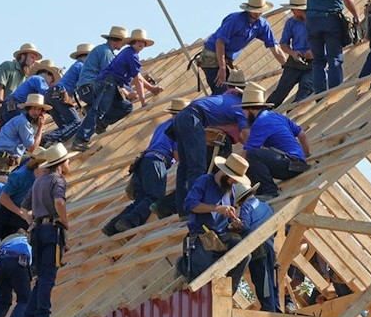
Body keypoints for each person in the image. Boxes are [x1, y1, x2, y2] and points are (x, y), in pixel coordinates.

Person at [102, 98, 190, 235]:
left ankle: (113, 226)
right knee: (155, 196)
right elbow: (178, 155)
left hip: (144, 161)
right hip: (157, 162)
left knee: (140, 199)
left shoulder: (162, 126)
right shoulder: (178, 128)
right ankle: (129, 221)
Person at [65, 29, 161, 149]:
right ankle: (80, 140)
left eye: (143, 43)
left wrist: (150, 88)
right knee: (98, 109)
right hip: (93, 87)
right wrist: (140, 100)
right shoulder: (107, 53)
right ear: (118, 41)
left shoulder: (125, 53)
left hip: (96, 86)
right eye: (138, 42)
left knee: (126, 106)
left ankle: (100, 123)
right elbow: (110, 77)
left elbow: (137, 76)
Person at [177, 154, 252, 279]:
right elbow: (190, 204)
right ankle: (183, 266)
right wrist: (216, 208)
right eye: (233, 179)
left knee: (243, 255)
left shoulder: (230, 189)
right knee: (203, 276)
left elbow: (226, 218)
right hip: (202, 236)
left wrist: (233, 222)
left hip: (221, 237)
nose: (235, 182)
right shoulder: (205, 181)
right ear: (224, 173)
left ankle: (227, 292)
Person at [304, 0, 363, 94]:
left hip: (311, 20)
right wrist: (356, 16)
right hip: (330, 20)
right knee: (334, 59)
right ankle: (335, 93)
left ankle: (319, 95)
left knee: (318, 61)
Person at [26, 144, 73, 317]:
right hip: (51, 231)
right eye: (68, 161)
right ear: (61, 163)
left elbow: (24, 207)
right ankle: (42, 315)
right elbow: (59, 201)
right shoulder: (58, 180)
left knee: (42, 276)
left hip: (37, 231)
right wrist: (65, 222)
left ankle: (28, 314)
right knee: (48, 276)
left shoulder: (39, 181)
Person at [201, 0, 286, 93]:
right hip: (212, 57)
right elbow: (220, 42)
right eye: (255, 11)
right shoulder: (235, 20)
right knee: (222, 90)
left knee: (234, 91)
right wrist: (222, 67)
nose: (258, 13)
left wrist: (286, 65)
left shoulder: (262, 25)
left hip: (226, 59)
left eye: (260, 11)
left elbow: (274, 47)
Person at [239, 88, 311, 198]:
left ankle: (269, 191)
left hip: (289, 165)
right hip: (298, 164)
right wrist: (306, 155)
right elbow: (303, 135)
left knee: (252, 154)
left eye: (244, 110)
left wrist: (234, 174)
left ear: (251, 110)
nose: (244, 114)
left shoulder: (260, 123)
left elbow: (246, 153)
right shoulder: (277, 116)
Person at [0, 93, 50, 175]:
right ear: (28, 109)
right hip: (1, 157)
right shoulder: (23, 123)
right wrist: (40, 127)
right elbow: (32, 148)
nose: (36, 112)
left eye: (39, 109)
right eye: (34, 109)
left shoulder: (23, 121)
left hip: (3, 156)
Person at [269, 0, 315, 107]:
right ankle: (263, 115)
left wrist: (315, 51)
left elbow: (326, 39)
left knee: (305, 90)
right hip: (295, 61)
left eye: (294, 9)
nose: (292, 11)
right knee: (280, 91)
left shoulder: (317, 21)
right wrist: (293, 53)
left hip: (314, 63)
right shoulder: (291, 22)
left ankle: (293, 115)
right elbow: (284, 44)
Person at [0, 228, 33, 317]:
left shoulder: (6, 244)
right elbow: (29, 269)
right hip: (16, 261)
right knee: (25, 298)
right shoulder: (27, 243)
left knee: (3, 300)